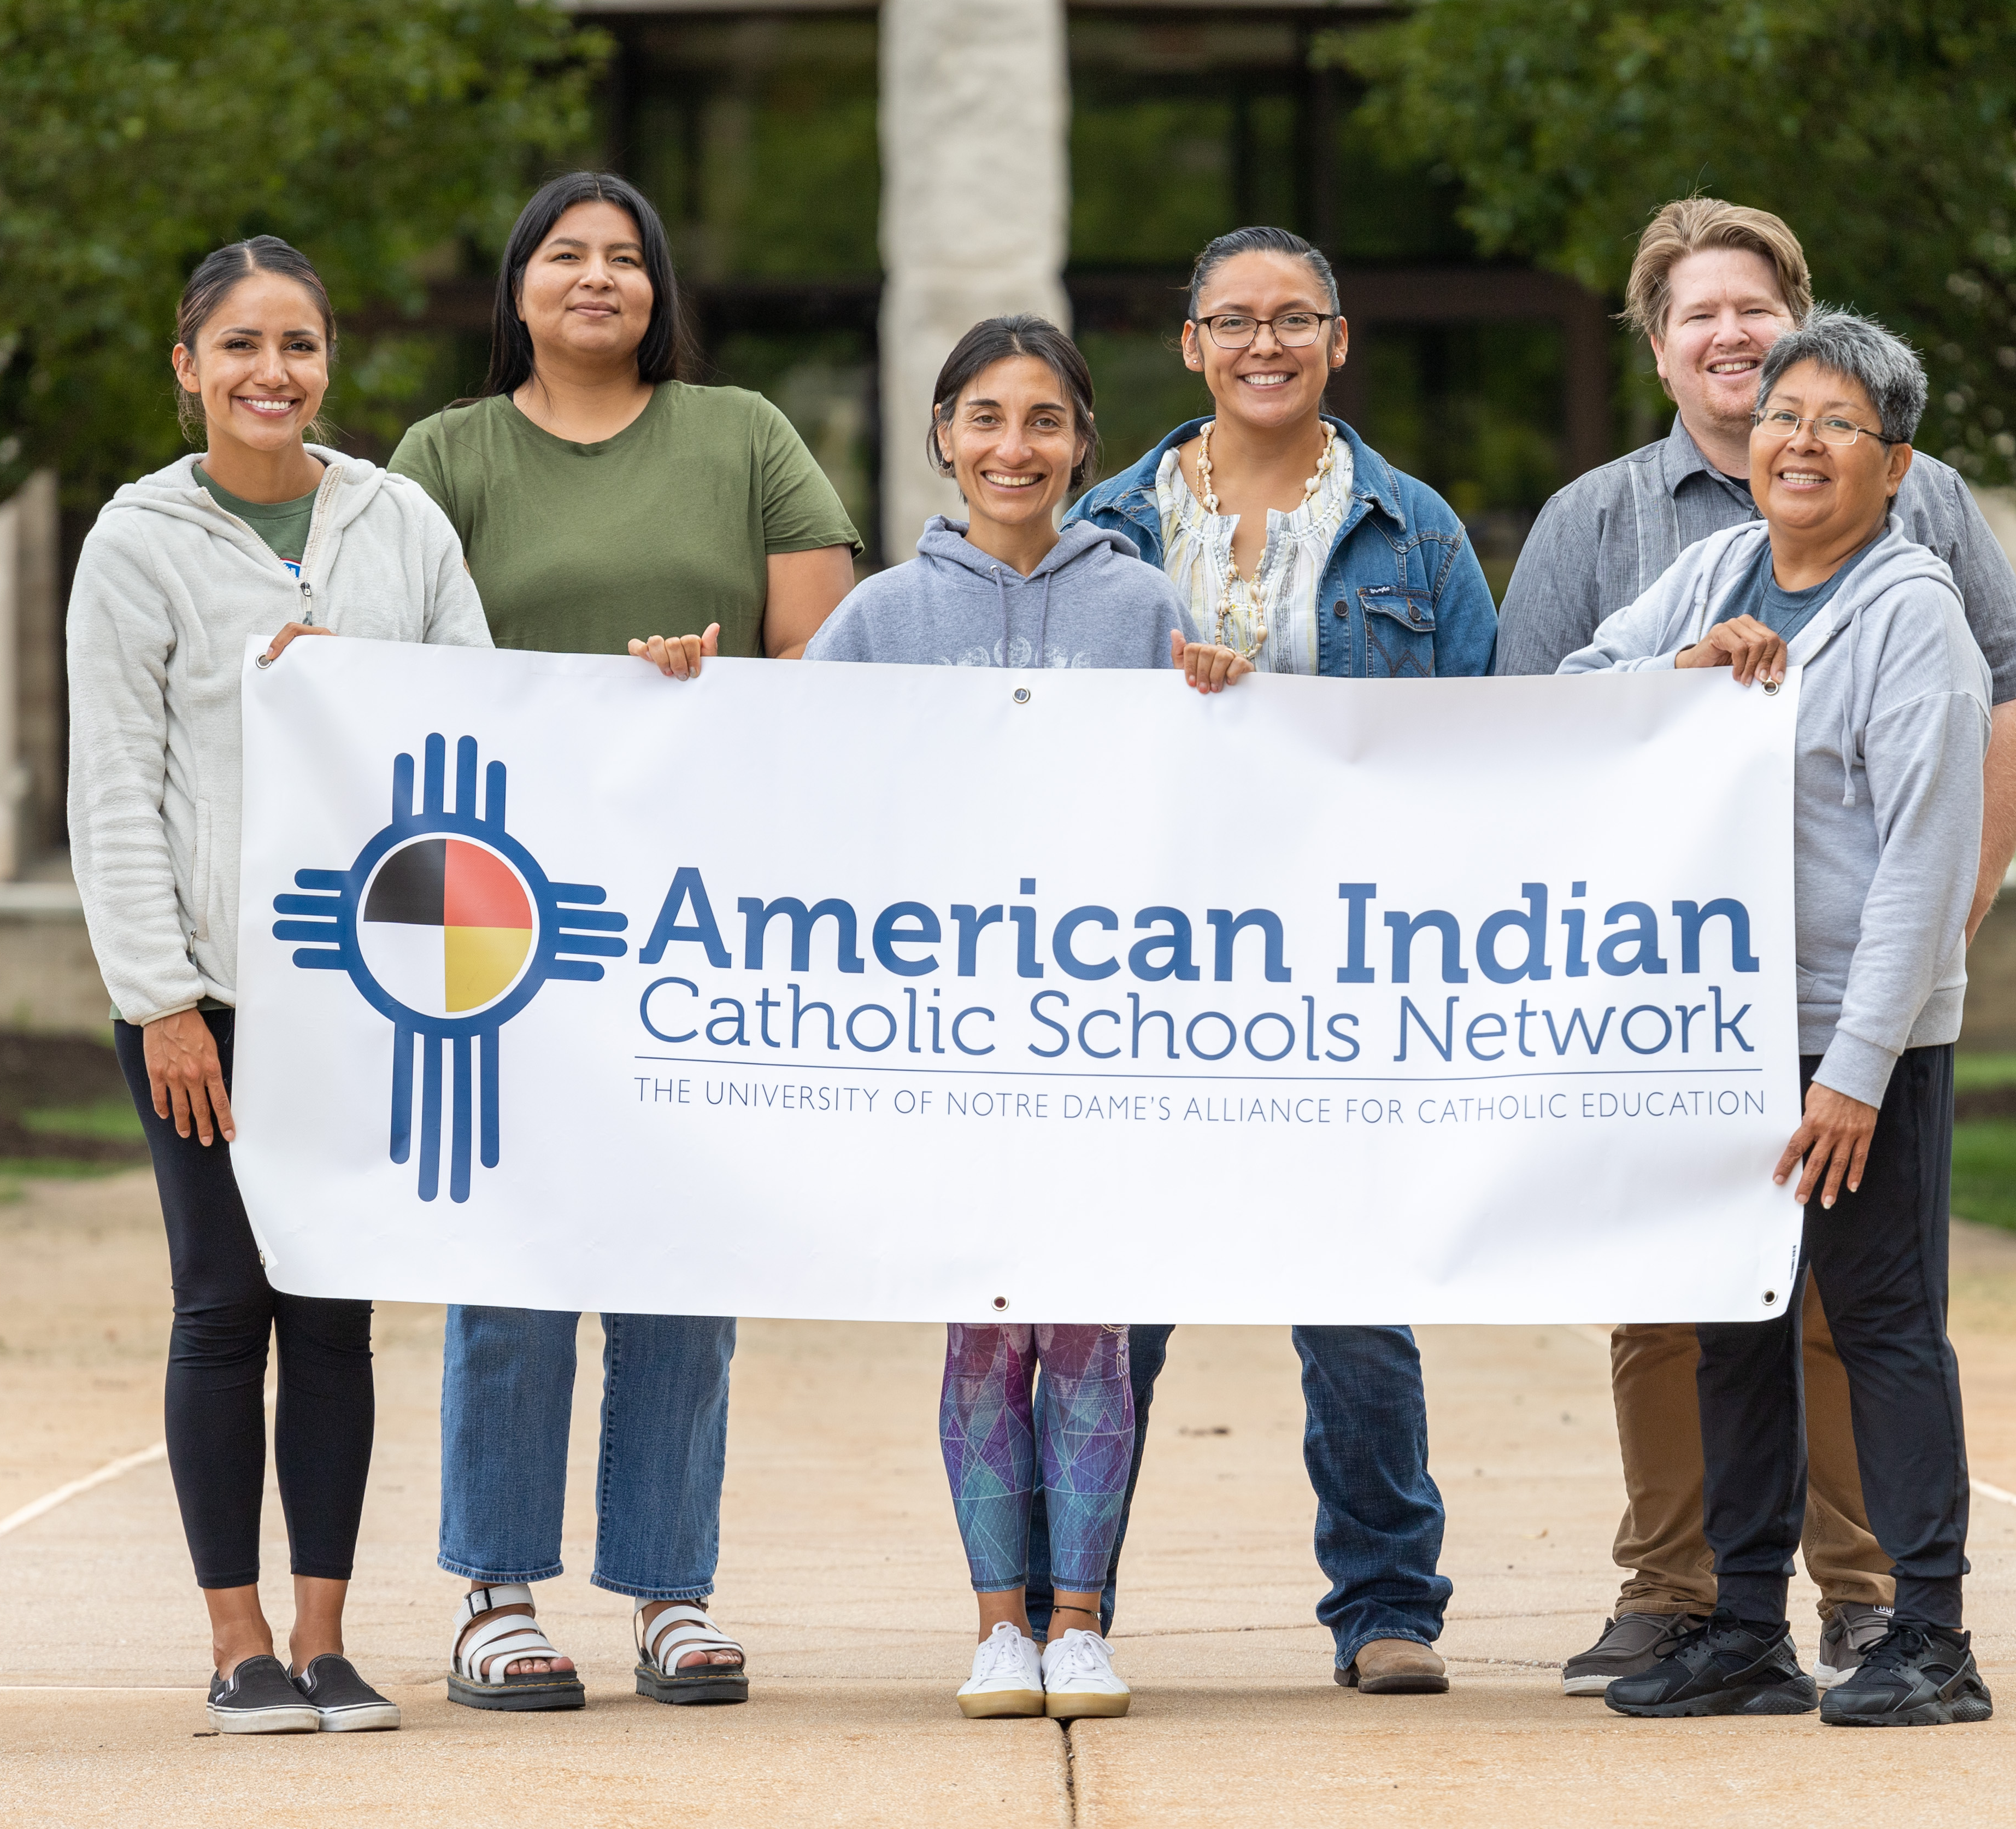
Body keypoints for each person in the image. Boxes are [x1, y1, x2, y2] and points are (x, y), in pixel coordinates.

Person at [1495, 198, 2016, 1696]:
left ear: (1897, 464)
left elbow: (1921, 865)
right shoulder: (1718, 570)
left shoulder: (1908, 617)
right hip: (1714, 1024)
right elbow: (1567, 688)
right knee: (1732, 1320)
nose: (1797, 439)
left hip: (1846, 1038)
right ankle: (1738, 1633)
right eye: (1783, 415)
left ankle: (1926, 1639)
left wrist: (1856, 1069)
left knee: (1877, 1330)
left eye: (1837, 422)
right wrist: (1678, 667)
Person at [389, 171, 860, 1711]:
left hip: (698, 917)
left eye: (625, 258)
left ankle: (670, 1586)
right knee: (510, 1255)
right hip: (498, 919)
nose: (596, 278)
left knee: (679, 1251)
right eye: (562, 255)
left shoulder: (742, 438)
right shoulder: (443, 459)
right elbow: (396, 682)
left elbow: (820, 655)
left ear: (660, 287)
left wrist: (707, 687)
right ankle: (496, 1591)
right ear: (516, 284)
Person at [1057, 225, 1495, 1697]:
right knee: (1115, 1307)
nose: (1265, 344)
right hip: (1143, 974)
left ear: (1337, 339)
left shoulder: (1413, 530)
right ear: (1187, 344)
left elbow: (1489, 744)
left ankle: (1386, 1609)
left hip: (1341, 977)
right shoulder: (1103, 528)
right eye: (1233, 320)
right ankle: (1071, 1605)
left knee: (1356, 1308)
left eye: (1293, 320)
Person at [68, 235, 493, 1734]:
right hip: (208, 996)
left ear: (329, 362)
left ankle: (324, 1637)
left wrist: (355, 692)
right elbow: (115, 781)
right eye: (240, 346)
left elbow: (470, 723)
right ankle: (233, 1639)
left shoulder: (399, 520)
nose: (272, 373)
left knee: (332, 1308)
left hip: (368, 990)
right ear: (186, 365)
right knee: (221, 1299)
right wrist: (160, 994)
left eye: (298, 345)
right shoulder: (135, 541)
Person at [809, 314, 1248, 1719]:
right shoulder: (878, 617)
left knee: (1089, 1326)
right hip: (942, 1034)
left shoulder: (1141, 609)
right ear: (941, 433)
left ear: (1082, 444)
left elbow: (1218, 807)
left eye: (1045, 419)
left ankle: (1079, 1620)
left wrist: (1230, 704)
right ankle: (994, 1623)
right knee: (981, 1328)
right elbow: (768, 781)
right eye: (986, 417)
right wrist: (688, 692)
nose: (1015, 446)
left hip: (1099, 1030)